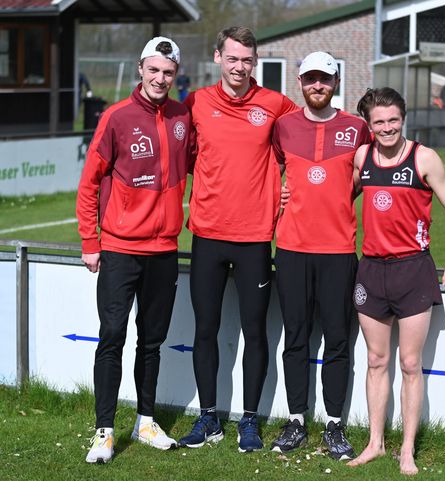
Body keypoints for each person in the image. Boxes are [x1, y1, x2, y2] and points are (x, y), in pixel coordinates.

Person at [177, 26, 296, 453]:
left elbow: (301, 145)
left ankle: (249, 421)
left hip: (254, 238)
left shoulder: (276, 104)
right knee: (205, 329)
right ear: (217, 58)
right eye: (232, 58)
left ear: (255, 62)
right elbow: (185, 156)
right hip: (208, 233)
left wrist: (286, 187)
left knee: (255, 332)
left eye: (247, 59)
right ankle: (208, 417)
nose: (239, 67)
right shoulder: (197, 103)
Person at [76, 36, 191, 464]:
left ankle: (145, 420)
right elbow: (89, 183)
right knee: (112, 337)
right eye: (154, 70)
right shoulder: (116, 117)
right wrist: (91, 242)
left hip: (164, 250)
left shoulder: (182, 117)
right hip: (120, 249)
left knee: (152, 342)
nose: (160, 78)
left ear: (175, 76)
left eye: (169, 72)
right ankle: (104, 430)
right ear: (140, 68)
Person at [346, 87, 445, 475]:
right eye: (378, 122)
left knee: (410, 363)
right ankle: (375, 444)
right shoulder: (362, 156)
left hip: (413, 270)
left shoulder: (424, 157)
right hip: (371, 270)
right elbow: (339, 201)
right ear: (368, 124)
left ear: (403, 118)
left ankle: (408, 449)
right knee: (377, 360)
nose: (387, 128)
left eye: (393, 119)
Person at [269, 51, 371, 459]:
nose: (317, 86)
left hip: (338, 249)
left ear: (335, 83)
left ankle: (333, 425)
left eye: (324, 79)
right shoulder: (283, 127)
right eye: (311, 79)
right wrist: (280, 194)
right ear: (300, 82)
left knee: (337, 339)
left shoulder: (356, 128)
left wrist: (338, 197)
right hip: (291, 248)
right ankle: (296, 421)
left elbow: (365, 177)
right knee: (294, 338)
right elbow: (267, 174)